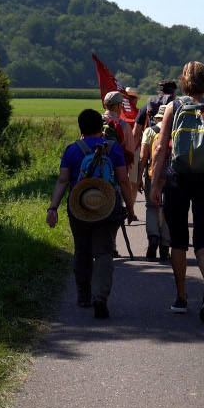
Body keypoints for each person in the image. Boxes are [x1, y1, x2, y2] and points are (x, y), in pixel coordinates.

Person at [151, 61, 204, 322]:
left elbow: (160, 149)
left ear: (184, 82)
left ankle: (181, 296)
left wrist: (156, 183)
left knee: (178, 239)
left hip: (178, 179)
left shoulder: (173, 107)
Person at [47, 109, 137, 319]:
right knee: (104, 252)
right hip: (107, 206)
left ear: (80, 128)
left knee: (82, 250)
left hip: (78, 206)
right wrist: (130, 209)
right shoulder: (113, 149)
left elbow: (62, 181)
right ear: (101, 128)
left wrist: (53, 208)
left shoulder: (71, 150)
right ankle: (100, 297)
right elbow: (123, 181)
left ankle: (83, 295)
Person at [139, 104, 171, 261]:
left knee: (152, 207)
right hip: (172, 176)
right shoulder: (176, 132)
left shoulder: (150, 131)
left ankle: (153, 237)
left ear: (158, 118)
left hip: (153, 175)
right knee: (168, 209)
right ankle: (165, 246)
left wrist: (139, 177)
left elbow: (144, 156)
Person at [103, 90, 138, 208]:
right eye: (121, 105)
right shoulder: (123, 125)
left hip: (95, 170)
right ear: (118, 105)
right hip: (116, 173)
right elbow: (130, 152)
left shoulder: (96, 121)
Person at [133, 80, 177, 147]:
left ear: (159, 92)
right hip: (171, 147)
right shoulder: (177, 108)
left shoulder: (145, 108)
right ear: (173, 93)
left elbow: (136, 134)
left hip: (150, 146)